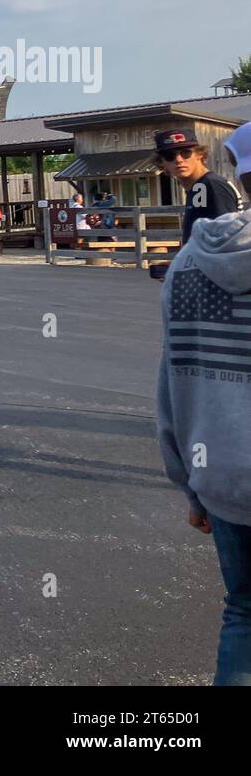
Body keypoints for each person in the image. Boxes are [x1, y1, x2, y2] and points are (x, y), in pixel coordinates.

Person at [156, 119, 251, 685]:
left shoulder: (187, 265)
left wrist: (188, 482)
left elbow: (173, 382)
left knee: (243, 611)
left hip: (219, 471)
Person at [155, 128, 243, 244]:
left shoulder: (210, 185)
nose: (178, 160)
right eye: (169, 156)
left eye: (186, 153)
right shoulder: (198, 187)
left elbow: (224, 238)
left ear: (199, 154)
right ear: (162, 162)